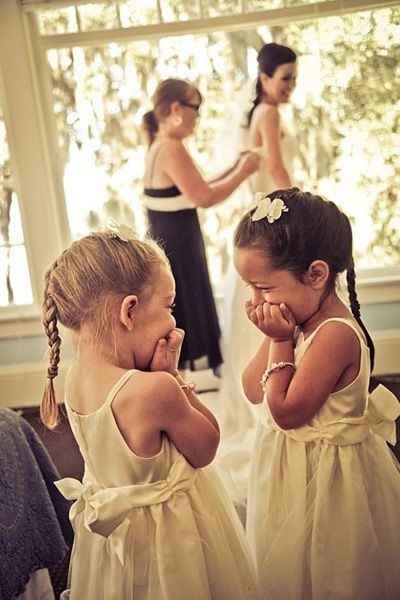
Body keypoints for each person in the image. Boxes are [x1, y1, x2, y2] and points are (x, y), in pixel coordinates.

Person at [40, 227, 257, 600]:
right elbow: (206, 446)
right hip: (171, 543)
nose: (174, 319)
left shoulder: (75, 379)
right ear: (129, 311)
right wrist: (171, 376)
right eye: (169, 306)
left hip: (113, 548)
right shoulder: (154, 390)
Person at [234, 187, 400, 599]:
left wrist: (279, 342)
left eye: (264, 288)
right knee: (291, 568)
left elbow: (286, 411)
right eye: (249, 290)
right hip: (291, 472)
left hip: (330, 483)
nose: (256, 301)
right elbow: (253, 389)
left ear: (317, 274)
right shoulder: (298, 320)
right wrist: (275, 336)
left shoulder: (335, 336)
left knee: (331, 567)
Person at [217, 42, 298, 506]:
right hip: (276, 221)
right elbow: (276, 168)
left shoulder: (263, 113)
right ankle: (272, 396)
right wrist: (308, 209)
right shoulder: (267, 115)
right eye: (284, 78)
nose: (288, 88)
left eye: (293, 80)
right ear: (265, 78)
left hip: (262, 222)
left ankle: (268, 388)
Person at [142, 78, 260, 373]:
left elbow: (199, 183)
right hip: (178, 244)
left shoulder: (162, 144)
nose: (198, 116)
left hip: (175, 238)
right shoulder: (170, 147)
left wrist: (235, 166)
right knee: (185, 304)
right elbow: (203, 196)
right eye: (196, 107)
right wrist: (244, 172)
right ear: (176, 108)